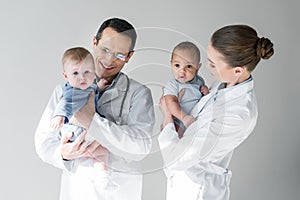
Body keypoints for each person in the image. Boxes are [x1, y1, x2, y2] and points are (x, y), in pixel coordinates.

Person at [35, 18, 155, 200]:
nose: (109, 60)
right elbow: (44, 142)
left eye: (119, 55)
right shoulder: (65, 91)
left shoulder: (138, 93)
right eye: (105, 50)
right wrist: (63, 154)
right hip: (77, 191)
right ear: (94, 43)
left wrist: (92, 121)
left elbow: (141, 147)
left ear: (129, 56)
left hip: (119, 193)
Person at [158, 24, 274, 200]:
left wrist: (167, 115)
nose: (206, 68)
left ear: (237, 71)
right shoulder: (221, 86)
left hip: (199, 189)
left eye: (212, 64)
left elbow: (178, 157)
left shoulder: (239, 114)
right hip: (184, 182)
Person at [50, 46, 117, 191]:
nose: (82, 77)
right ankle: (103, 177)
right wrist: (59, 115)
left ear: (93, 72)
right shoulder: (72, 91)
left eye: (87, 72)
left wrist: (98, 87)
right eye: (75, 73)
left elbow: (91, 92)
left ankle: (102, 178)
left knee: (100, 152)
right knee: (102, 151)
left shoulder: (87, 86)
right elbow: (65, 102)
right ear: (65, 76)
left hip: (81, 131)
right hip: (77, 130)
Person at [163, 41, 209, 138]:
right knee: (176, 135)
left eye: (188, 66)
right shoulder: (173, 85)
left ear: (197, 67)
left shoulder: (199, 81)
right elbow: (171, 103)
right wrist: (183, 117)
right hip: (178, 120)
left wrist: (205, 92)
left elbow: (203, 100)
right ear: (171, 64)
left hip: (196, 120)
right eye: (177, 65)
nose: (182, 71)